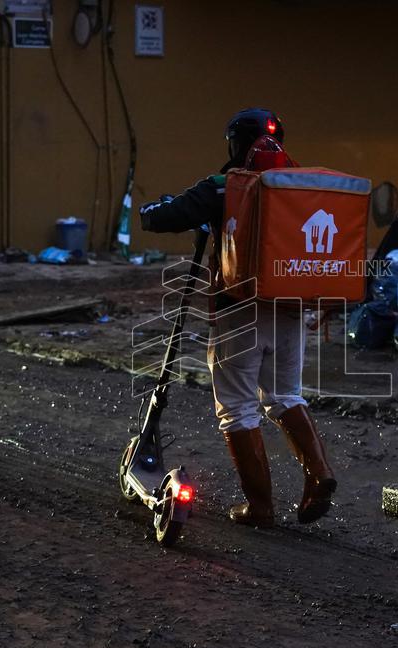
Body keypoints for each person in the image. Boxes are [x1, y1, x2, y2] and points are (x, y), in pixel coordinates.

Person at [140, 108, 336, 528]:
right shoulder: (299, 187)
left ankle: (261, 507)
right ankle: (320, 475)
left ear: (233, 144)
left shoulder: (223, 185)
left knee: (237, 408)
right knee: (286, 395)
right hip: (290, 307)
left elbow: (168, 216)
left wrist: (149, 210)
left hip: (239, 310)